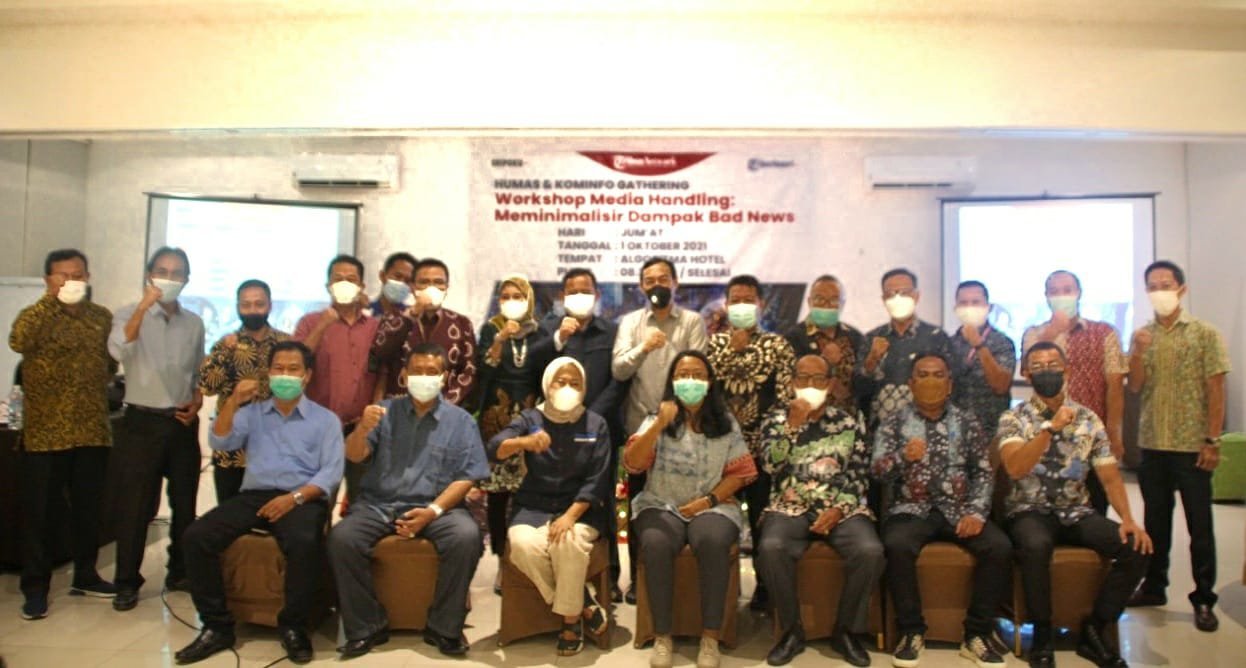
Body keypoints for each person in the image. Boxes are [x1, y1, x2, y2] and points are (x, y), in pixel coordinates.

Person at [175, 341, 343, 665]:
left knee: (304, 541)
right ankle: (217, 626)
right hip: (254, 495)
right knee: (196, 536)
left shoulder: (325, 420)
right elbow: (220, 440)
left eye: (293, 369)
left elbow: (331, 473)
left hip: (301, 497)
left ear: (307, 375)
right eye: (278, 368)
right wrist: (232, 402)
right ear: (268, 373)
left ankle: (294, 626)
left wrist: (293, 499)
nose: (285, 374)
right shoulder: (252, 413)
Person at [328, 343, 490, 659]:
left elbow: (467, 477)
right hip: (378, 504)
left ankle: (444, 627)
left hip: (439, 508)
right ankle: (366, 626)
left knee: (467, 537)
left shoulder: (461, 422)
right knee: (342, 538)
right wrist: (362, 428)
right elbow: (354, 455)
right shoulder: (383, 413)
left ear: (444, 378)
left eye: (432, 372)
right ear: (404, 375)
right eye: (417, 371)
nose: (424, 377)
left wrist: (432, 511)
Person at [999, 342, 1152, 668]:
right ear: (1026, 374)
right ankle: (1042, 634)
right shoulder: (1014, 417)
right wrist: (1049, 429)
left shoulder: (1088, 419)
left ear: (1067, 370)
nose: (1047, 371)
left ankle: (1095, 628)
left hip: (1076, 511)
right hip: (1029, 509)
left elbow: (1110, 477)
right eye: (1038, 366)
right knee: (1035, 545)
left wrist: (1128, 519)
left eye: (1053, 365)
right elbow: (1014, 467)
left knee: (1136, 548)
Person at [872, 352, 1009, 668]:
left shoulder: (967, 421)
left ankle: (977, 634)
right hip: (910, 508)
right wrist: (903, 457)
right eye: (923, 375)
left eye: (938, 375)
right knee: (896, 544)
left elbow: (983, 472)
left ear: (949, 384)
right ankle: (911, 632)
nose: (931, 381)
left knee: (999, 546)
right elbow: (877, 472)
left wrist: (976, 512)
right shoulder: (893, 422)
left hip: (959, 509)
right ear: (911, 383)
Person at [623, 350, 757, 668]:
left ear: (709, 382)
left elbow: (741, 473)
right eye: (683, 375)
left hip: (712, 506)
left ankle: (710, 637)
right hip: (660, 503)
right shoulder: (656, 418)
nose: (690, 381)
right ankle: (662, 636)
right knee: (655, 543)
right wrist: (659, 424)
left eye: (698, 375)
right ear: (672, 381)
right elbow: (633, 464)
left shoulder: (725, 423)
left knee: (712, 541)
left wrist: (707, 501)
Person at [8, 249, 117, 619]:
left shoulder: (100, 317)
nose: (72, 281)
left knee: (88, 510)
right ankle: (35, 588)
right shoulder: (34, 316)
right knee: (40, 515)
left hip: (91, 429)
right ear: (48, 280)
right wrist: (49, 300)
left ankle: (86, 574)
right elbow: (18, 341)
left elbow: (110, 363)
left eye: (78, 274)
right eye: (63, 275)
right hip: (46, 433)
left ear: (88, 277)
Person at [756, 355, 884, 667]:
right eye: (802, 378)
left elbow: (859, 474)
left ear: (830, 384)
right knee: (771, 547)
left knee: (870, 551)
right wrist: (791, 427)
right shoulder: (775, 418)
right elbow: (770, 465)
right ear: (792, 383)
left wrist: (839, 509)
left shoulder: (848, 422)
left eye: (817, 379)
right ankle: (792, 630)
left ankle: (845, 630)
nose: (809, 385)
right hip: (789, 505)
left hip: (840, 507)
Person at [1125, 260, 1229, 633]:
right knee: (1155, 522)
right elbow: (1135, 386)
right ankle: (1154, 586)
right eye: (1153, 286)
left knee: (1200, 525)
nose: (1159, 292)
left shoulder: (1205, 334)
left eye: (1166, 284)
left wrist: (1212, 440)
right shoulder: (1142, 335)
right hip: (1153, 444)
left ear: (1181, 289)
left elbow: (1216, 390)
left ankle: (1203, 598)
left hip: (1192, 446)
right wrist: (1137, 352)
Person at [487, 357, 613, 656]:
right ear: (548, 385)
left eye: (575, 383)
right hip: (533, 505)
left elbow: (598, 480)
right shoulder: (530, 418)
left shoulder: (596, 424)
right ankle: (581, 603)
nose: (568, 388)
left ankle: (570, 624)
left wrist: (570, 516)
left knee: (567, 542)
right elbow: (495, 448)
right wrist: (524, 443)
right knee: (522, 545)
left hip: (581, 509)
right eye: (561, 381)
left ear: (584, 388)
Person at [108, 246, 205, 610]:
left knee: (184, 503)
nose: (168, 278)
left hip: (180, 423)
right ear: (149, 275)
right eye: (162, 271)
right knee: (135, 507)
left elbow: (197, 371)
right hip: (141, 422)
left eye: (176, 273)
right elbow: (119, 351)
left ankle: (180, 571)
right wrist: (143, 307)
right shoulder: (127, 314)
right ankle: (126, 581)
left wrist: (197, 400)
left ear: (186, 280)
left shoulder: (193, 322)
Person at [613, 256, 709, 604]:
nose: (657, 285)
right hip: (640, 427)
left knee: (682, 501)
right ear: (642, 286)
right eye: (650, 280)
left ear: (675, 283)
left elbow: (699, 370)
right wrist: (643, 347)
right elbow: (619, 370)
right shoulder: (631, 323)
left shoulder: (692, 322)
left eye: (663, 279)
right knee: (640, 504)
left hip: (683, 431)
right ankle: (640, 578)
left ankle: (683, 577)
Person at [533, 267, 628, 601]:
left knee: (603, 497)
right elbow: (534, 369)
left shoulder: (612, 332)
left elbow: (620, 380)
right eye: (572, 291)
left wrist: (591, 417)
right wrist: (559, 339)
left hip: (602, 429)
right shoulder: (549, 330)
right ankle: (557, 565)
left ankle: (610, 575)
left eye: (586, 291)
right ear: (562, 297)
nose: (579, 296)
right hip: (555, 431)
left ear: (597, 295)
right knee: (560, 492)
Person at [706, 274, 796, 611]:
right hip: (722, 453)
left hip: (762, 452)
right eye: (736, 300)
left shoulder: (778, 345)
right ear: (726, 305)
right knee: (719, 520)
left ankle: (766, 590)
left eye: (748, 300)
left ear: (761, 304)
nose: (742, 306)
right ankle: (723, 592)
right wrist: (733, 352)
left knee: (763, 522)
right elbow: (706, 393)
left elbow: (786, 399)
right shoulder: (713, 345)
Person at [1021, 270, 1127, 514]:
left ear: (1079, 293)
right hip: (1046, 433)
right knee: (1046, 503)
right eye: (1055, 291)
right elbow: (1028, 371)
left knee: (1095, 503)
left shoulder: (1104, 333)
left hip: (1091, 433)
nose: (1061, 296)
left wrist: (1114, 433)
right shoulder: (1034, 334)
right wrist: (1051, 333)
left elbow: (1114, 386)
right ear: (1046, 296)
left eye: (1067, 290)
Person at [475, 274, 550, 589]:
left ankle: (524, 557)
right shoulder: (490, 329)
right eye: (505, 296)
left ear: (529, 299)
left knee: (527, 490)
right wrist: (499, 340)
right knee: (497, 495)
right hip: (496, 418)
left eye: (517, 296)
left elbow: (546, 374)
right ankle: (501, 561)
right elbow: (483, 369)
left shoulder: (540, 332)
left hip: (531, 417)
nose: (511, 301)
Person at [293, 254, 379, 504]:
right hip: (318, 427)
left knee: (362, 502)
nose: (344, 284)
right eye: (338, 279)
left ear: (361, 286)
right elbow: (296, 363)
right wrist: (323, 325)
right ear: (328, 285)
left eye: (351, 279)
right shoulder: (310, 322)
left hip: (361, 427)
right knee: (317, 503)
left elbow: (382, 372)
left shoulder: (375, 327)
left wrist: (373, 413)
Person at [198, 279, 289, 502]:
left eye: (259, 304)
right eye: (246, 305)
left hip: (274, 449)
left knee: (270, 514)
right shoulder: (226, 344)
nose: (253, 310)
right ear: (237, 307)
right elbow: (207, 387)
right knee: (229, 514)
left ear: (270, 306)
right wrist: (224, 353)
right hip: (232, 450)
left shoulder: (285, 344)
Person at [369, 257, 478, 404]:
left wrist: (446, 405)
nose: (431, 288)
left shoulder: (461, 324)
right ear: (413, 287)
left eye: (438, 282)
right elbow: (380, 353)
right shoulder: (393, 318)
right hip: (399, 406)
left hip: (444, 409)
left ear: (446, 288)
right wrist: (412, 314)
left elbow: (469, 371)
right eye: (424, 282)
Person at [856, 268, 951, 429]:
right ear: (883, 299)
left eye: (904, 293)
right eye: (891, 294)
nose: (898, 298)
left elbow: (950, 386)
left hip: (928, 428)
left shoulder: (936, 337)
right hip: (881, 430)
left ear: (916, 296)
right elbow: (859, 390)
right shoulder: (872, 338)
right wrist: (871, 361)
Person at [785, 274, 866, 417]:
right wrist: (824, 361)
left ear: (842, 304)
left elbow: (864, 385)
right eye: (819, 299)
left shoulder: (854, 337)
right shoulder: (793, 337)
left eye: (833, 300)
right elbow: (788, 383)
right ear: (809, 301)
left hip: (849, 420)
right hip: (809, 418)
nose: (826, 305)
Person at [948, 280, 1016, 436]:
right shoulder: (948, 344)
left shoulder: (1002, 342)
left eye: (976, 302)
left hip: (991, 428)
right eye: (964, 303)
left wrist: (979, 345)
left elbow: (1001, 386)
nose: (970, 307)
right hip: (956, 429)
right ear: (956, 309)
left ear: (988, 307)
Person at [369, 251, 418, 316]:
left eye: (408, 281)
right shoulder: (365, 312)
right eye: (398, 276)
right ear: (382, 276)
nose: (401, 283)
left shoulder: (411, 316)